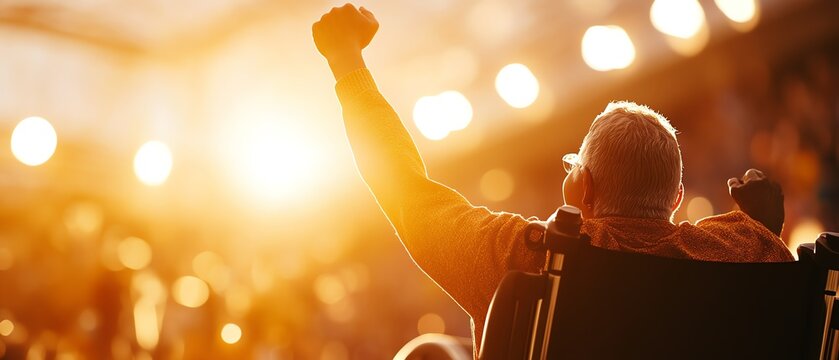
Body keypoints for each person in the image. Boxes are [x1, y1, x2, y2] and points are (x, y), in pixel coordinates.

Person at [312, 4, 794, 357]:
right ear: (676, 198)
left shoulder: (526, 256)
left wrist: (345, 60)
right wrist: (761, 226)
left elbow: (404, 188)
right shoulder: (743, 249)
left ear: (579, 187)